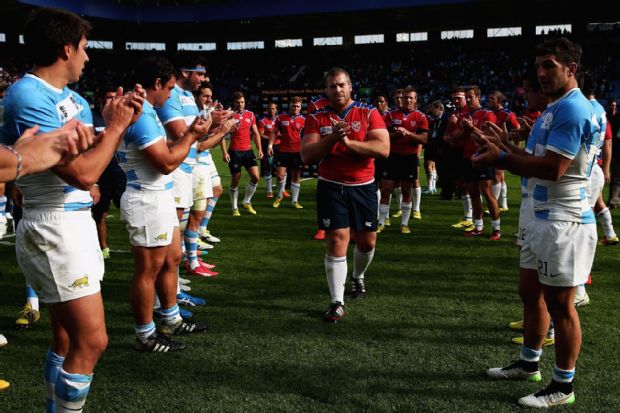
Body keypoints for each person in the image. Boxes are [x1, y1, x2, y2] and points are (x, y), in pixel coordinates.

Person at [1, 7, 142, 412]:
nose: (88, 57)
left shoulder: (74, 98)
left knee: (64, 337)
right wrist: (113, 131)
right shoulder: (27, 94)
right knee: (93, 340)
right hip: (54, 226)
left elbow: (87, 164)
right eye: (84, 48)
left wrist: (118, 122)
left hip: (73, 222)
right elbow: (80, 172)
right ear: (66, 48)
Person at [480, 37, 599, 408]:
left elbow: (554, 169)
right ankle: (529, 363)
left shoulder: (573, 109)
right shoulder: (555, 108)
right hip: (541, 217)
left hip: (564, 220)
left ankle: (563, 385)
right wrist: (510, 149)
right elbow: (538, 158)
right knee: (530, 293)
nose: (542, 74)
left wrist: (503, 158)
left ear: (571, 68)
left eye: (549, 65)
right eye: (538, 67)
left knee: (562, 306)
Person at [118, 56, 223, 352]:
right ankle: (145, 334)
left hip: (158, 195)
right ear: (157, 84)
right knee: (147, 270)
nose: (170, 95)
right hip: (145, 197)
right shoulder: (142, 114)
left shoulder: (145, 110)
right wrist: (192, 134)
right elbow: (165, 162)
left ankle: (171, 318)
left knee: (171, 259)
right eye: (169, 88)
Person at [301, 67, 389, 322]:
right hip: (331, 186)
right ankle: (336, 302)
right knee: (337, 239)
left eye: (341, 85)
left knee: (367, 242)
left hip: (363, 186)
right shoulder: (318, 116)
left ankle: (358, 277)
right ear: (326, 90)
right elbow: (307, 155)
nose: (337, 90)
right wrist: (333, 140)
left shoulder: (368, 112)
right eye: (332, 86)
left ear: (351, 86)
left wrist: (349, 143)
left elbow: (382, 149)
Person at [378, 87, 428, 234]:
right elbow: (384, 135)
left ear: (415, 99)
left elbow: (424, 139)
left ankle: (404, 224)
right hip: (392, 156)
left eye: (410, 98)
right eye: (405, 97)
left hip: (409, 157)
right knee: (386, 189)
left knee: (407, 190)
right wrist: (396, 135)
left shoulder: (420, 117)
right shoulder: (391, 115)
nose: (407, 100)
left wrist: (408, 134)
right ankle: (381, 222)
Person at [91, 87, 127, 259]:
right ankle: (103, 247)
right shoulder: (92, 117)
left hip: (120, 173)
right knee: (100, 214)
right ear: (101, 99)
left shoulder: (122, 117)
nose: (112, 100)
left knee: (128, 212)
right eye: (108, 97)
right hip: (101, 173)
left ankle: (137, 243)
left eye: (115, 97)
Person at [193, 82, 227, 244]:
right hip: (197, 157)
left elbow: (211, 142)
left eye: (210, 96)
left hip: (206, 155)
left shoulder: (209, 111)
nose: (208, 99)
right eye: (205, 96)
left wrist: (221, 128)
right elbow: (199, 143)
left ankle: (201, 229)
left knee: (217, 189)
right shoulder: (194, 113)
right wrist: (220, 130)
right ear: (196, 96)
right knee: (200, 198)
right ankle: (193, 234)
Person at [221, 91, 263, 216]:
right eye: (238, 102)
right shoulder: (229, 116)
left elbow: (255, 133)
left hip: (248, 151)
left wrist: (259, 149)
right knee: (236, 179)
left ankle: (246, 201)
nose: (240, 104)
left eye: (242, 102)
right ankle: (234, 208)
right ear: (234, 103)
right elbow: (221, 135)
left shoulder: (250, 115)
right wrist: (224, 152)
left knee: (256, 177)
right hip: (235, 151)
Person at [487, 90, 520, 212]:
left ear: (499, 101)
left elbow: (518, 130)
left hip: (502, 148)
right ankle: (504, 204)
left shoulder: (507, 114)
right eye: (489, 99)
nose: (489, 101)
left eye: (492, 99)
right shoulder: (489, 113)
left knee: (497, 175)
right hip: (492, 147)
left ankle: (494, 203)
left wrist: (513, 148)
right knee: (500, 177)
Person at [271, 96, 305, 209]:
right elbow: (274, 132)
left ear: (300, 107)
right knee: (280, 175)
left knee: (296, 176)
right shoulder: (280, 118)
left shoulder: (304, 120)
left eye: (298, 106)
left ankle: (294, 201)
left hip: (297, 151)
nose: (295, 108)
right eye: (293, 105)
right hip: (283, 151)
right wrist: (270, 145)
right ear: (289, 105)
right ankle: (280, 195)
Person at [258, 101, 278, 198]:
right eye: (269, 108)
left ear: (276, 109)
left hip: (280, 146)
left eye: (273, 108)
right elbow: (260, 134)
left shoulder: (280, 119)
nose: (271, 110)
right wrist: (271, 138)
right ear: (267, 110)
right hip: (268, 147)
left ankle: (282, 190)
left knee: (281, 168)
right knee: (269, 168)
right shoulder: (263, 121)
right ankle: (269, 191)